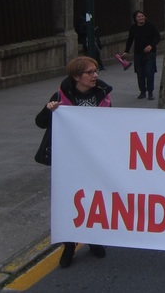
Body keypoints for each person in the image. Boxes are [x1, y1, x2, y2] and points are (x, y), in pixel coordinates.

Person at [35, 56, 111, 268]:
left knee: (94, 200)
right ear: (77, 76)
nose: (95, 75)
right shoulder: (61, 95)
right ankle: (69, 245)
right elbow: (40, 123)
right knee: (69, 203)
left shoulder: (102, 95)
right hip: (67, 161)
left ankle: (93, 240)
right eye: (90, 72)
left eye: (96, 71)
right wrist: (49, 109)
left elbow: (111, 124)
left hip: (93, 159)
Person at [122, 10, 160, 100]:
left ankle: (150, 92)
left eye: (142, 16)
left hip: (149, 53)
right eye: (139, 16)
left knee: (149, 72)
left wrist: (151, 46)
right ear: (135, 18)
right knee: (140, 73)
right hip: (138, 53)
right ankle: (142, 91)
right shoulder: (133, 28)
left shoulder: (150, 25)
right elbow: (130, 40)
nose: (141, 18)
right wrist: (126, 51)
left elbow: (157, 36)